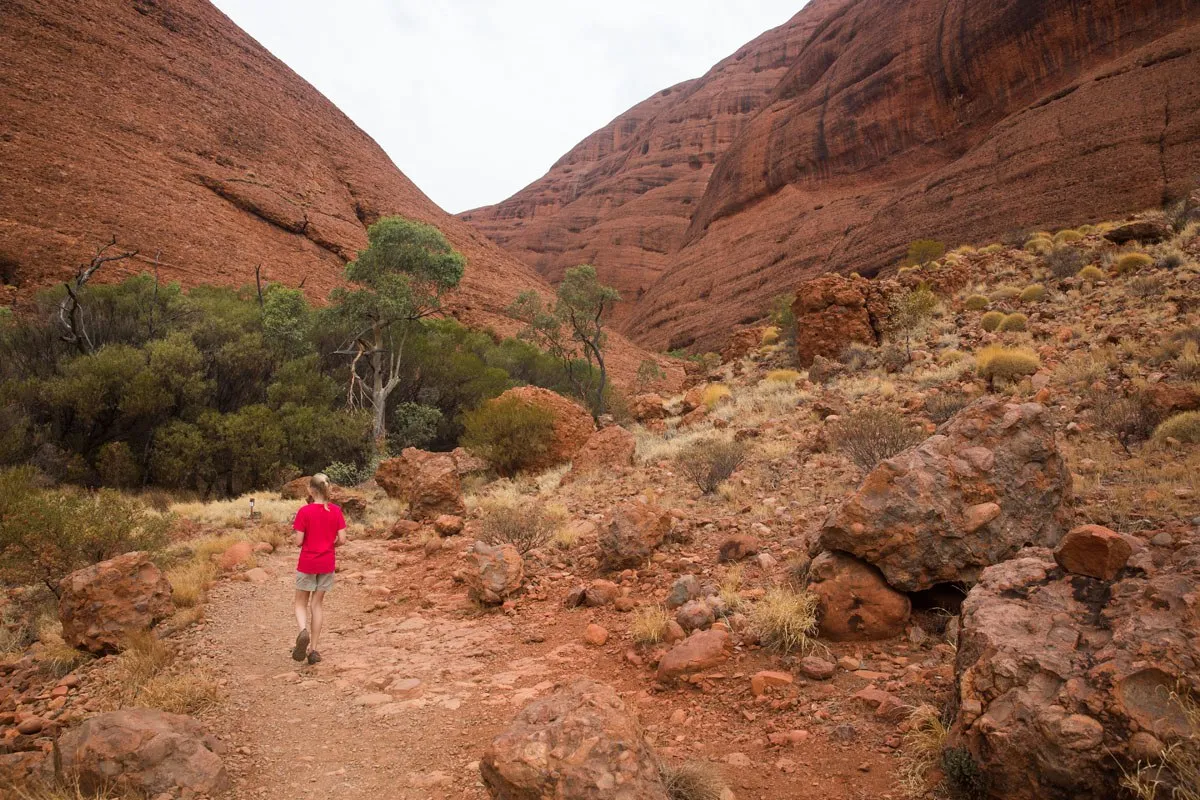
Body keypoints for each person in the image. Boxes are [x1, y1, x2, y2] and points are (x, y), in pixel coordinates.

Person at [290, 473, 345, 665]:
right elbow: (343, 539)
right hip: (326, 563)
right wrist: (330, 546)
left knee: (300, 603)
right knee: (317, 605)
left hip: (307, 563)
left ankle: (302, 631)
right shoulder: (336, 511)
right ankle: (313, 650)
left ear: (311, 490)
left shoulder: (304, 512)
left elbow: (298, 541)